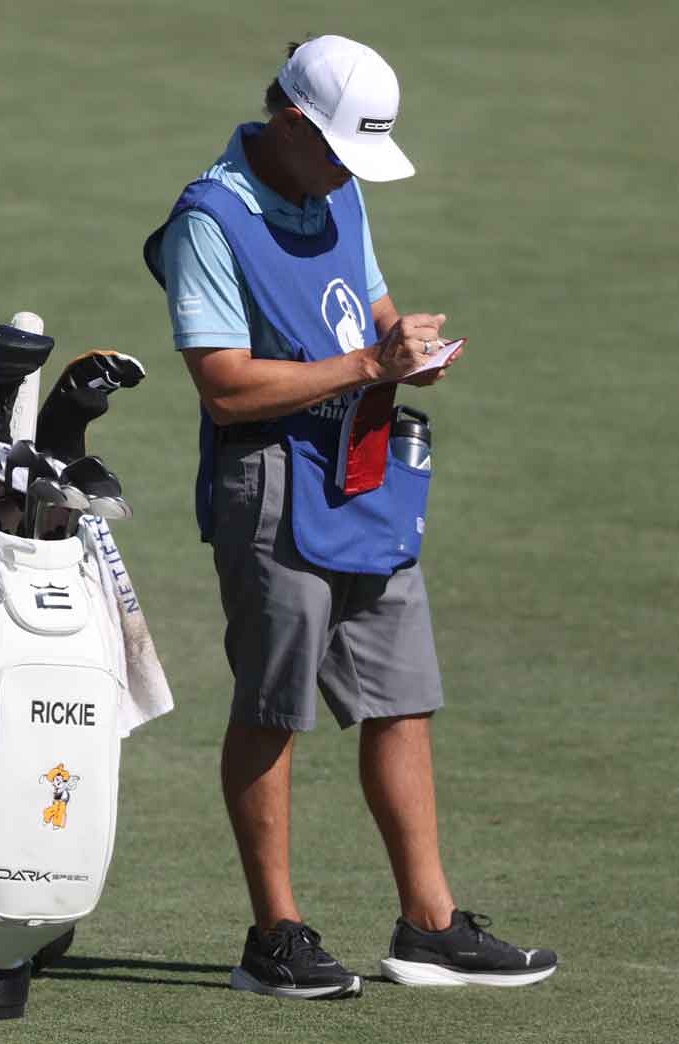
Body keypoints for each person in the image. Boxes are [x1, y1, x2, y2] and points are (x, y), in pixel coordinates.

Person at [143, 35, 558, 998]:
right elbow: (224, 389)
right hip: (272, 484)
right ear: (291, 122)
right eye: (336, 150)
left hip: (363, 473)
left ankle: (431, 926)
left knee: (400, 699)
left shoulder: (339, 188)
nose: (346, 173)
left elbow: (370, 304)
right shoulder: (211, 218)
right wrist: (370, 368)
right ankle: (276, 937)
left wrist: (400, 344)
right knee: (273, 707)